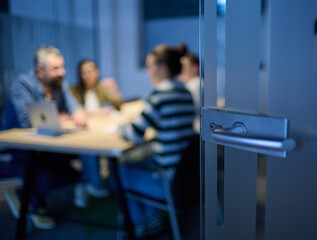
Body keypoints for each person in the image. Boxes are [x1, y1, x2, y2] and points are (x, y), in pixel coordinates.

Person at [0, 46, 86, 229]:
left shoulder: (59, 83)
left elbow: (74, 106)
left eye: (62, 67)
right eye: (56, 68)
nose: (62, 72)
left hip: (45, 146)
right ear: (40, 70)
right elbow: (26, 121)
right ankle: (32, 205)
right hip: (16, 151)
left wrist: (77, 113)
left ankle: (29, 194)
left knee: (74, 174)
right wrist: (60, 116)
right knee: (44, 174)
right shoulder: (22, 84)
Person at [116, 44, 196, 238]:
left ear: (162, 68)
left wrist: (120, 127)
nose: (148, 71)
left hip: (168, 181)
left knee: (121, 171)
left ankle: (143, 225)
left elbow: (134, 134)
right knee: (139, 161)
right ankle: (152, 218)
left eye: (150, 66)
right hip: (189, 177)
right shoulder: (185, 92)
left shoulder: (159, 95)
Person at [69, 59, 123, 207]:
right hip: (81, 132)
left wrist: (114, 90)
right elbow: (73, 111)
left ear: (97, 72)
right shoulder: (73, 90)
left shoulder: (100, 89)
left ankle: (107, 182)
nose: (87, 75)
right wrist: (96, 112)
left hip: (98, 130)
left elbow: (118, 106)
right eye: (83, 72)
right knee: (89, 149)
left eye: (90, 71)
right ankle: (91, 183)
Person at [178, 44, 201, 134]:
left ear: (195, 68)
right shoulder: (200, 83)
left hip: (194, 131)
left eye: (184, 67)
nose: (181, 71)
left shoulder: (193, 85)